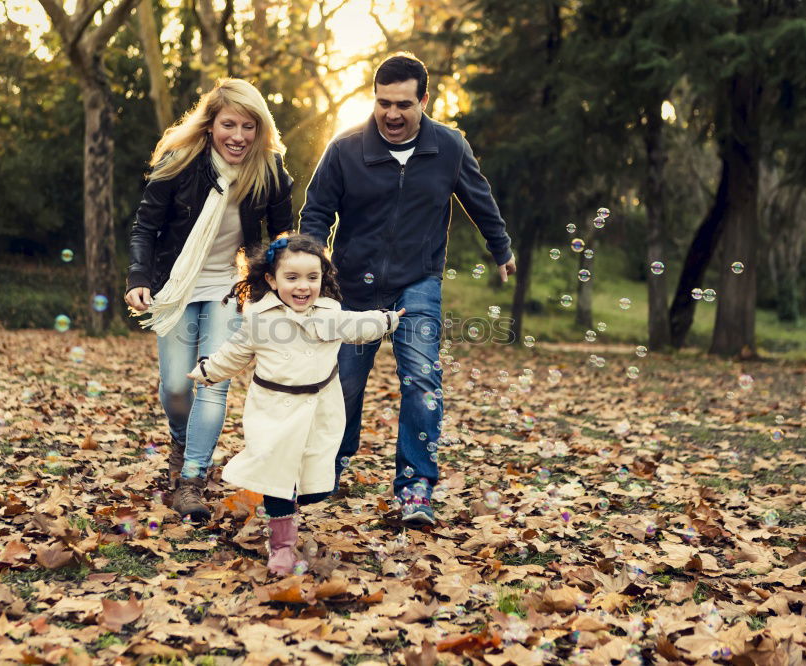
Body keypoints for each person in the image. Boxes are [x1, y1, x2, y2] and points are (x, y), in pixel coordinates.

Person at [299, 53, 516, 527]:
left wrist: (501, 248)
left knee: (421, 379)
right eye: (382, 103)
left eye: (403, 104)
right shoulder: (345, 148)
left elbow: (480, 200)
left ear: (423, 100)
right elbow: (316, 212)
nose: (391, 115)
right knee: (343, 384)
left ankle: (416, 487)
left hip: (417, 280)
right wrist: (310, 267)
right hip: (352, 286)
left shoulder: (449, 147)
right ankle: (327, 467)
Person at [125, 78, 293, 523]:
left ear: (260, 129)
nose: (238, 136)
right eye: (229, 124)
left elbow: (280, 239)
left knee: (212, 383)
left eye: (249, 126)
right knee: (177, 387)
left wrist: (283, 286)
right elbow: (145, 227)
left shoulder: (270, 173)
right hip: (175, 287)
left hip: (227, 288)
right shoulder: (180, 163)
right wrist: (139, 276)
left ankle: (192, 479)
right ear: (211, 125)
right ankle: (182, 442)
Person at [186, 233, 404, 574]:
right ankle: (282, 545)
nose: (303, 286)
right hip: (274, 410)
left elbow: (359, 325)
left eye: (312, 277)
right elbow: (235, 352)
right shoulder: (259, 319)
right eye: (292, 278)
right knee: (279, 479)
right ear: (272, 280)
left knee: (317, 485)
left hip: (320, 408)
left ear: (323, 279)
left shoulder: (331, 314)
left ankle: (290, 507)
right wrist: (207, 370)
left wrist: (387, 320)